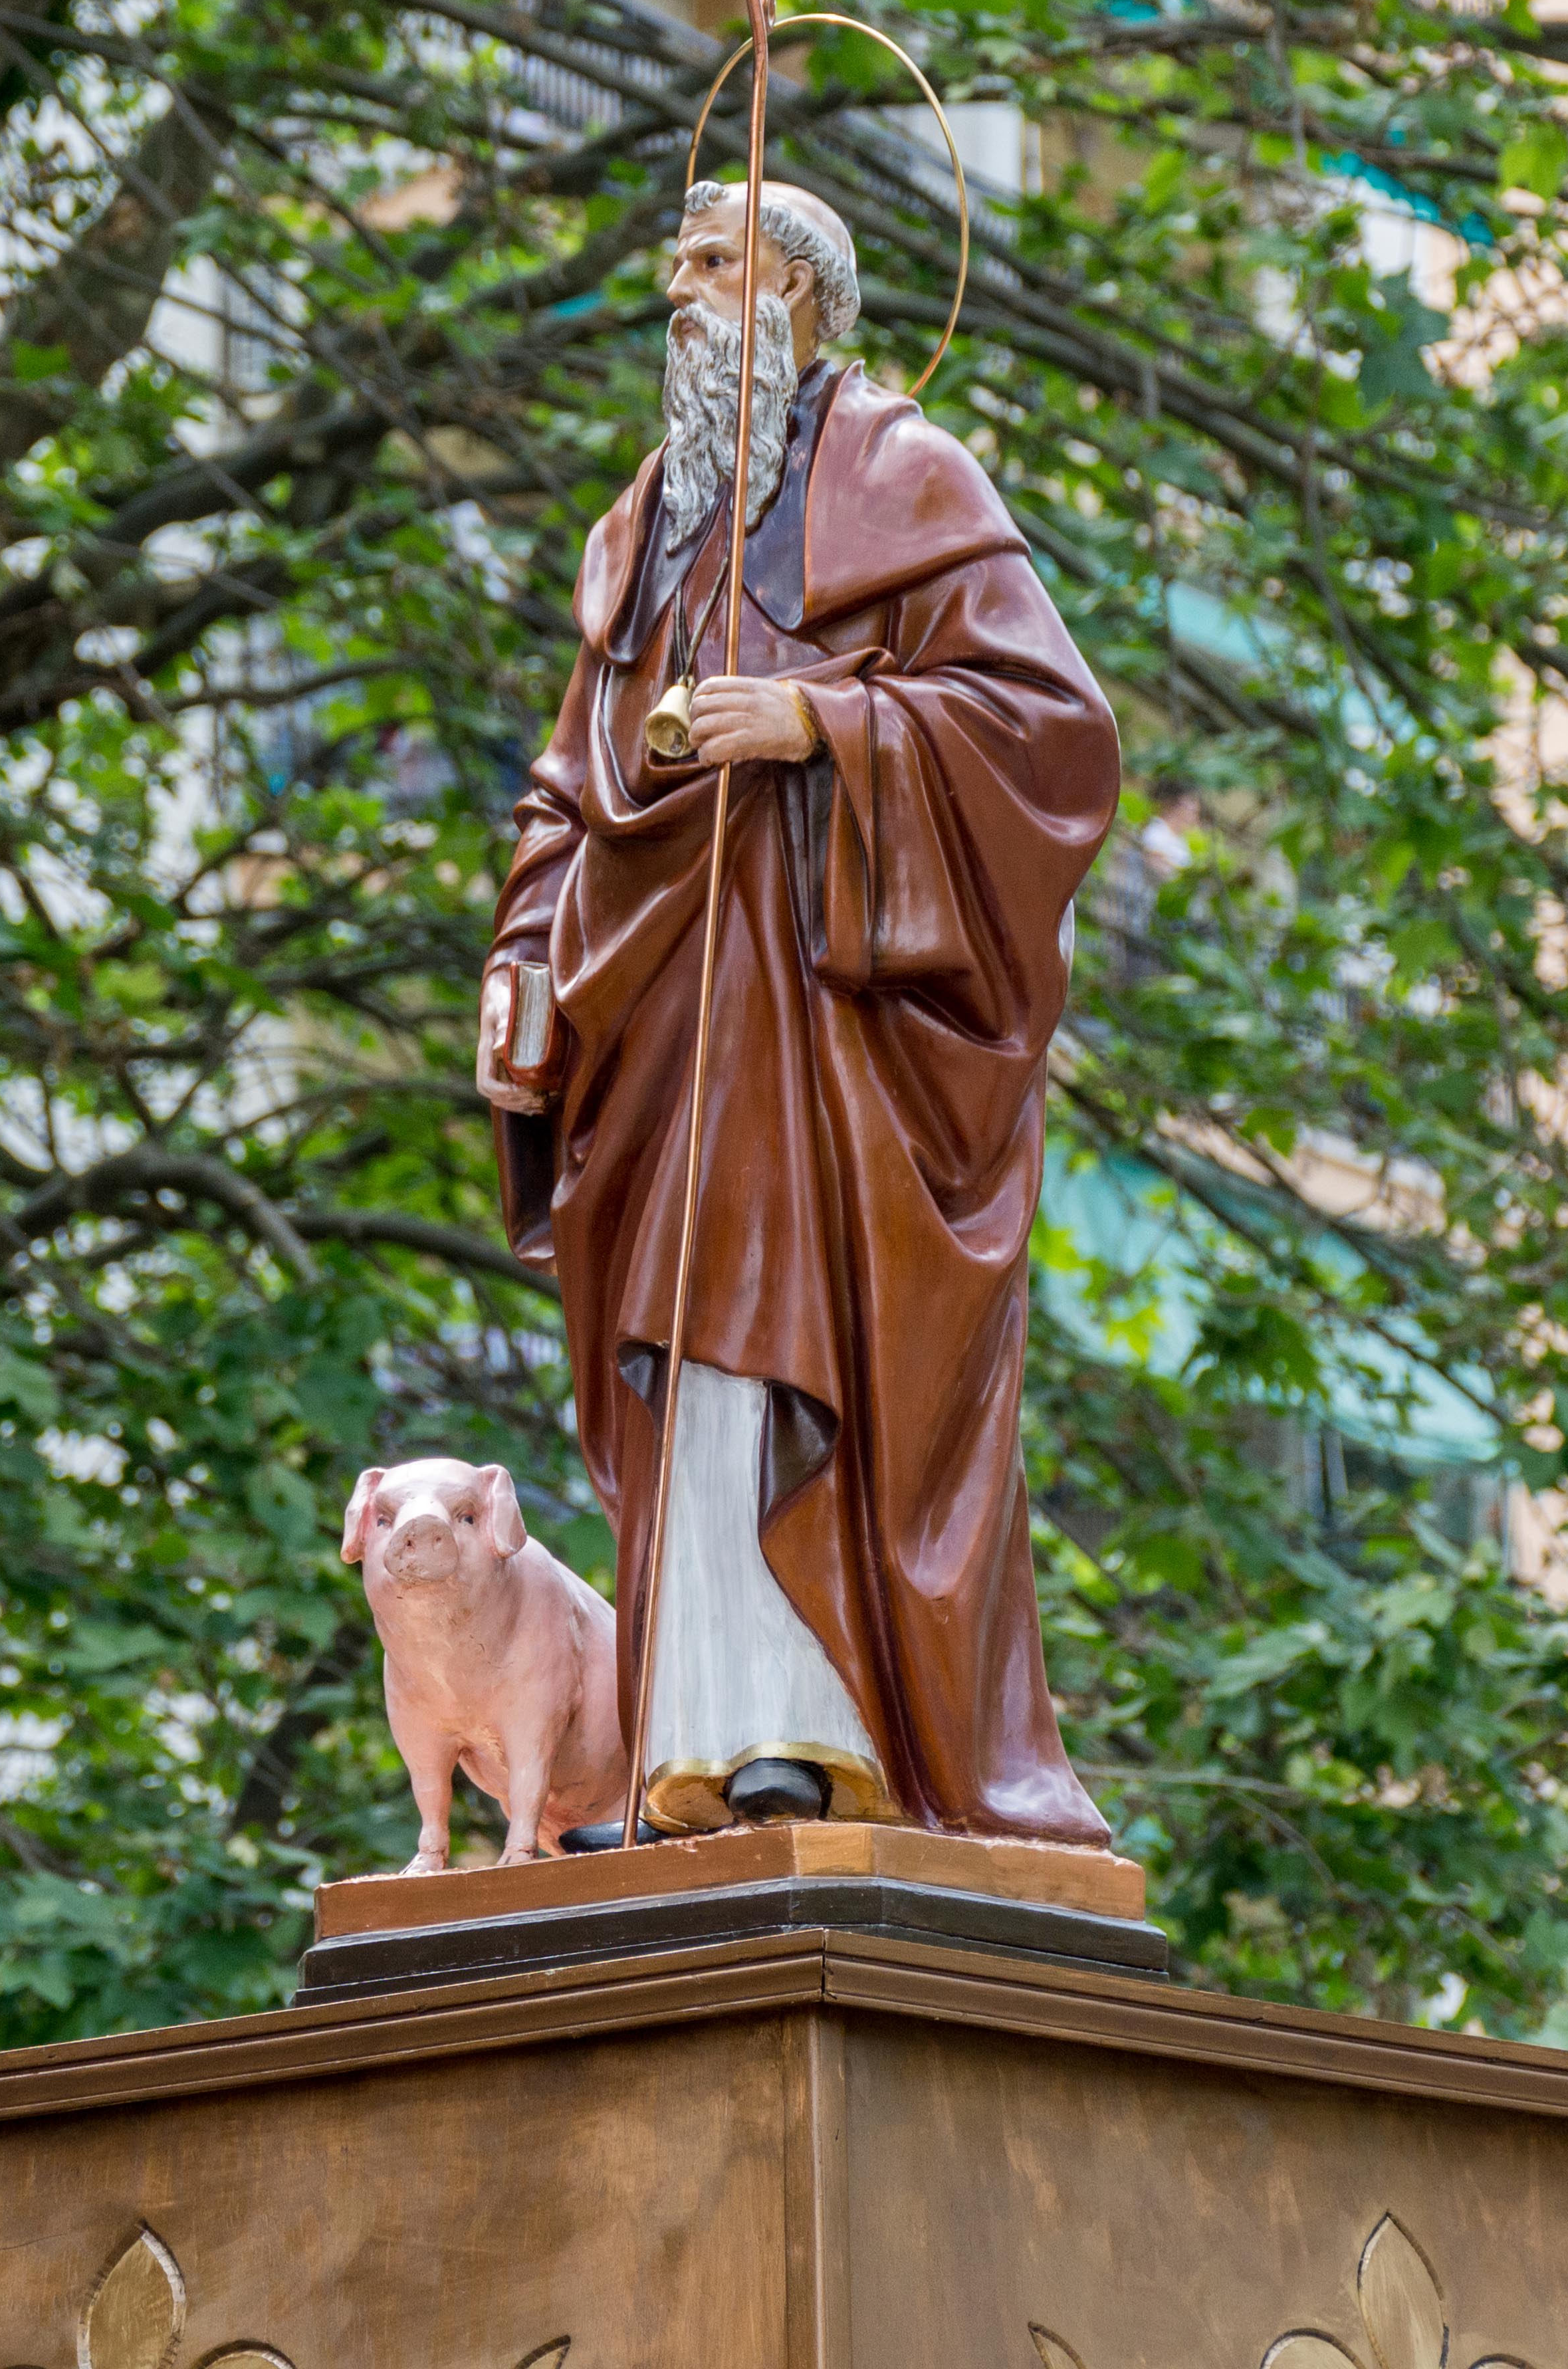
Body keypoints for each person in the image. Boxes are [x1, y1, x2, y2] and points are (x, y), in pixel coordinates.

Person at [479, 175, 1119, 1845]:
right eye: (677, 261)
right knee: (683, 1358)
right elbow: (568, 780)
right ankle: (677, 1738)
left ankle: (814, 1733)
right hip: (666, 1011)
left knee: (792, 1347)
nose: (679, 291)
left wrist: (824, 725)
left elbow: (1044, 731)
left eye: (712, 263)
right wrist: (528, 946)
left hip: (828, 1034)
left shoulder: (907, 477)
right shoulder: (650, 522)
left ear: (801, 298)